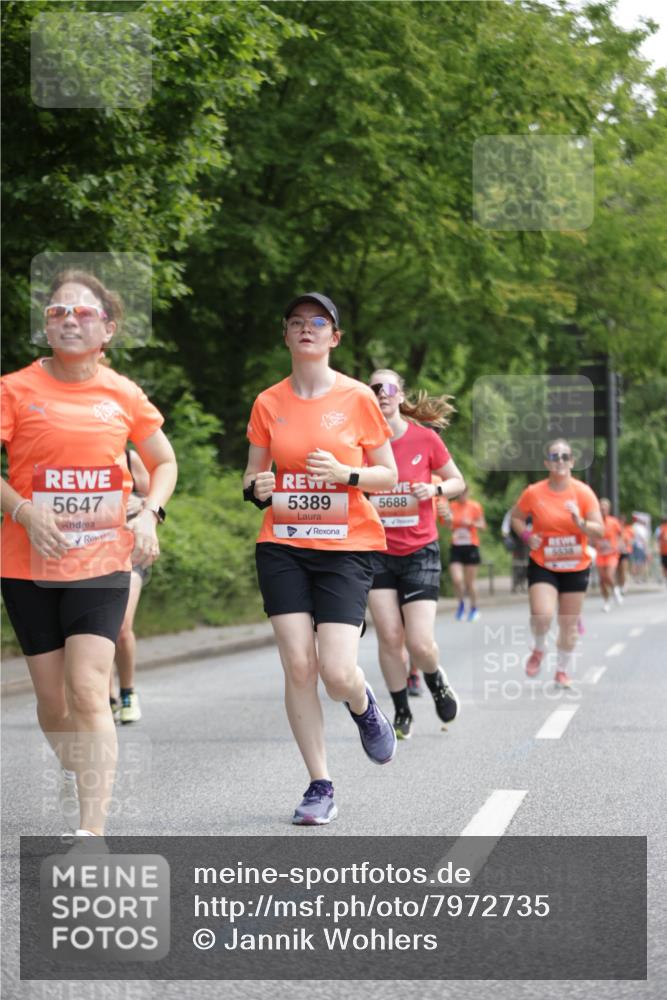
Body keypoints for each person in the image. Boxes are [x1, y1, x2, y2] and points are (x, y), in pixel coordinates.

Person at [1, 270, 177, 838]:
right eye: (57, 312)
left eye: (82, 313)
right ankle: (84, 775)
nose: (69, 320)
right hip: (27, 563)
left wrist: (149, 510)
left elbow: (165, 462)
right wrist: (24, 510)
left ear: (108, 327)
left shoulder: (122, 393)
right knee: (54, 707)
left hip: (103, 563)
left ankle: (91, 832)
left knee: (86, 689)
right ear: (45, 326)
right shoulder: (14, 388)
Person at [243, 292, 399, 826]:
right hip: (283, 542)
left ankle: (362, 704)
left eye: (318, 322)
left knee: (336, 672)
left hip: (346, 547)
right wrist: (258, 487)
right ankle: (320, 783)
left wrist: (346, 475)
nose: (306, 329)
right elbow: (252, 477)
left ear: (334, 337)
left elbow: (388, 474)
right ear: (285, 336)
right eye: (296, 322)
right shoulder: (268, 402)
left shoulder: (358, 399)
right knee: (298, 665)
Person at [365, 370, 466, 740]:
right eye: (374, 388)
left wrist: (435, 488)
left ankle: (436, 680)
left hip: (420, 549)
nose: (382, 393)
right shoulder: (363, 442)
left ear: (400, 395)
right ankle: (401, 711)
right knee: (390, 636)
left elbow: (458, 481)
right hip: (376, 551)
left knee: (419, 642)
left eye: (389, 387)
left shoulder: (425, 438)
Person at [511, 439, 603, 688]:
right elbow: (516, 518)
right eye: (555, 456)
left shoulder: (583, 493)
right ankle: (539, 648)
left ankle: (562, 670)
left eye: (565, 456)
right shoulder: (534, 492)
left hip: (576, 565)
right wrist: (528, 536)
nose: (560, 461)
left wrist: (580, 522)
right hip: (544, 562)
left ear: (572, 461)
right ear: (547, 462)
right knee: (542, 614)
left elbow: (599, 529)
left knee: (568, 623)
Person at [110, 447, 150, 724]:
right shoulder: (68, 452)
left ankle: (127, 693)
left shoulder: (128, 455)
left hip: (129, 552)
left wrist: (145, 504)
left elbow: (155, 497)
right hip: (86, 555)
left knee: (121, 626)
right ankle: (105, 696)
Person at [441, 487, 487, 621]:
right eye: (459, 494)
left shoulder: (474, 506)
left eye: (463, 493)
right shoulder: (452, 506)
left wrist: (471, 523)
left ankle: (474, 608)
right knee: (457, 579)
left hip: (471, 546)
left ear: (468, 493)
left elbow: (483, 525)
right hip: (456, 546)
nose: (461, 496)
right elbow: (446, 524)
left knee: (469, 582)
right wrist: (450, 521)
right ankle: (461, 604)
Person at [595, 498, 623, 612]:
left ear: (608, 509)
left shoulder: (614, 521)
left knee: (609, 575)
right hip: (600, 554)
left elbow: (621, 534)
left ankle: (615, 590)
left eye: (604, 508)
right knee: (602, 580)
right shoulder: (595, 522)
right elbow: (590, 536)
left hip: (612, 554)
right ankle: (606, 602)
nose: (602, 509)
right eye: (601, 507)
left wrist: (619, 545)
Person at [616, 516, 633, 594]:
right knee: (618, 570)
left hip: (625, 552)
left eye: (622, 521)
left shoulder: (627, 530)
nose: (621, 522)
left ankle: (624, 585)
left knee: (623, 569)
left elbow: (629, 541)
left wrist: (624, 545)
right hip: (616, 553)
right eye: (620, 521)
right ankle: (620, 585)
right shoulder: (615, 530)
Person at [657, 517, 667, 586]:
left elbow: (658, 538)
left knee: (663, 565)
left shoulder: (660, 528)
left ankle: (664, 578)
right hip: (664, 550)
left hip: (663, 550)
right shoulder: (661, 528)